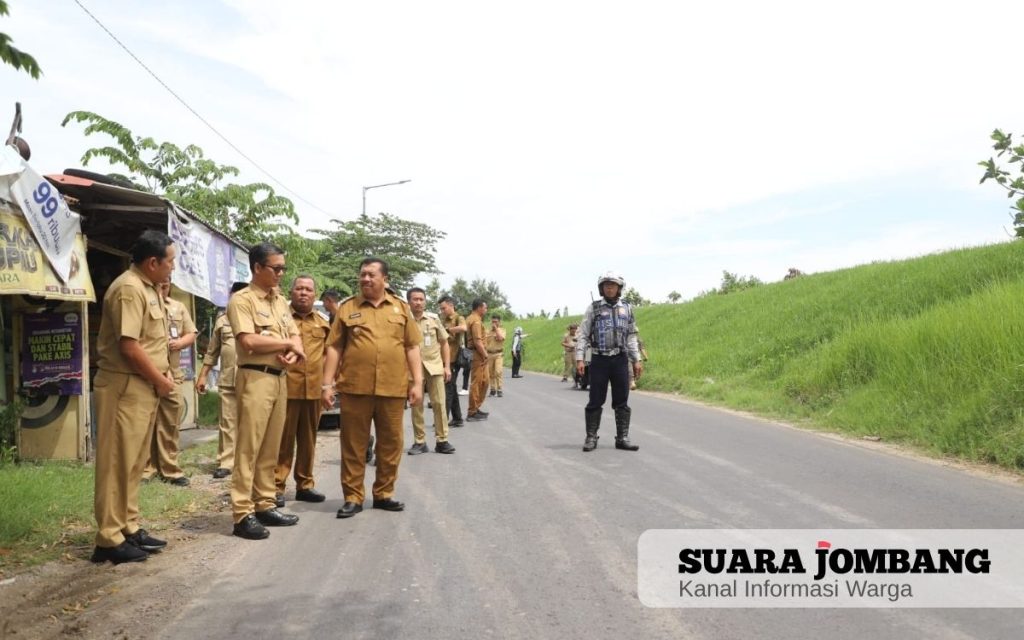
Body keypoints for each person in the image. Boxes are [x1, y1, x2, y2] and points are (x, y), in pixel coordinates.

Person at [91, 230, 177, 564]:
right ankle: (109, 538)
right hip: (124, 386)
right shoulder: (129, 289)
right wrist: (162, 381)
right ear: (153, 262)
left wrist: (161, 376)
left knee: (134, 462)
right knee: (116, 463)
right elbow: (129, 347)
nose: (172, 267)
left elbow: (152, 342)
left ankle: (128, 526)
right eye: (170, 261)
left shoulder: (150, 288)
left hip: (142, 386)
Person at [320, 257, 422, 519]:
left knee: (391, 443)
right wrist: (326, 384)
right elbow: (335, 347)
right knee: (353, 444)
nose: (365, 279)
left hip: (393, 388)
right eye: (362, 274)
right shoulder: (347, 308)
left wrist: (418, 382)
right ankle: (353, 497)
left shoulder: (400, 309)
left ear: (384, 279)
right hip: (356, 388)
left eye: (371, 275)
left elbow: (412, 346)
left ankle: (384, 493)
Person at [227, 242, 306, 540]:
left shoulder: (279, 301)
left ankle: (264, 503)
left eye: (283, 268)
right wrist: (285, 345)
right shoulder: (242, 301)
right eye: (276, 268)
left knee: (271, 446)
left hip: (279, 378)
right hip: (254, 378)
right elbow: (248, 341)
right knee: (249, 447)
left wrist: (293, 352)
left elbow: (294, 336)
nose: (281, 274)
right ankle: (242, 512)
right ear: (257, 268)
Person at [275, 275, 330, 504]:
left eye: (308, 289)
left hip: (313, 390)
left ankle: (305, 484)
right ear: (291, 292)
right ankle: (276, 486)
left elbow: (328, 354)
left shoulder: (323, 323)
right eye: (299, 289)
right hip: (286, 388)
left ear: (314, 295)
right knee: (282, 439)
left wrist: (329, 385)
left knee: (309, 440)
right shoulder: (281, 319)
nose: (303, 293)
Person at [575, 271, 642, 453]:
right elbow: (583, 334)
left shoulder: (627, 308)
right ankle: (591, 437)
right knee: (595, 399)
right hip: (599, 360)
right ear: (601, 288)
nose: (609, 288)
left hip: (620, 359)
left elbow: (631, 336)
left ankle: (622, 438)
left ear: (619, 288)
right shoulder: (594, 308)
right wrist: (580, 358)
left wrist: (636, 359)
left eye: (613, 285)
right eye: (606, 285)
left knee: (622, 400)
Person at [142, 280, 197, 486]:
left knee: (171, 421)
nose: (162, 289)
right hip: (147, 372)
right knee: (146, 422)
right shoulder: (143, 303)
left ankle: (170, 468)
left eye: (165, 286)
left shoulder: (178, 307)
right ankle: (146, 469)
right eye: (159, 285)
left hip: (173, 373)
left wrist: (180, 342)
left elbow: (191, 333)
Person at [196, 281, 248, 479]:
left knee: (250, 423)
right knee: (227, 422)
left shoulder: (257, 320)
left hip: (252, 381)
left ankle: (246, 462)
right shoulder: (222, 320)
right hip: (227, 379)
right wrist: (203, 376)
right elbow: (212, 352)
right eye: (235, 296)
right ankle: (226, 462)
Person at [406, 288, 455, 454]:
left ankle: (442, 440)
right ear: (409, 301)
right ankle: (420, 441)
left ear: (425, 301)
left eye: (421, 299)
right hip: (413, 369)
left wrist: (447, 366)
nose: (418, 302)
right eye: (415, 299)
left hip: (434, 367)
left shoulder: (433, 319)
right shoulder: (404, 320)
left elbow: (444, 343)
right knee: (416, 405)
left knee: (439, 403)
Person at [438, 295, 467, 427]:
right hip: (444, 358)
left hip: (454, 358)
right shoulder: (442, 319)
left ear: (451, 305)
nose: (442, 311)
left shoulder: (458, 317)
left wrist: (448, 330)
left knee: (448, 389)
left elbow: (463, 328)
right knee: (452, 388)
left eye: (444, 308)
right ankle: (458, 418)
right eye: (441, 309)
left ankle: (443, 419)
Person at [465, 298, 490, 421]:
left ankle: (476, 407)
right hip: (477, 354)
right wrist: (485, 355)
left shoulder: (472, 318)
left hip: (476, 353)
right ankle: (472, 412)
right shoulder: (475, 321)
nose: (486, 310)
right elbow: (477, 341)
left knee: (484, 382)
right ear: (479, 307)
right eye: (485, 307)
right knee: (477, 383)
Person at [486, 314, 506, 397]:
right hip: (489, 354)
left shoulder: (502, 330)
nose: (494, 323)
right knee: (490, 373)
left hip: (498, 354)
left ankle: (499, 389)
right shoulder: (488, 331)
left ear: (499, 322)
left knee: (498, 371)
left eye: (496, 322)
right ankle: (492, 389)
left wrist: (496, 330)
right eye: (493, 321)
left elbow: (501, 338)